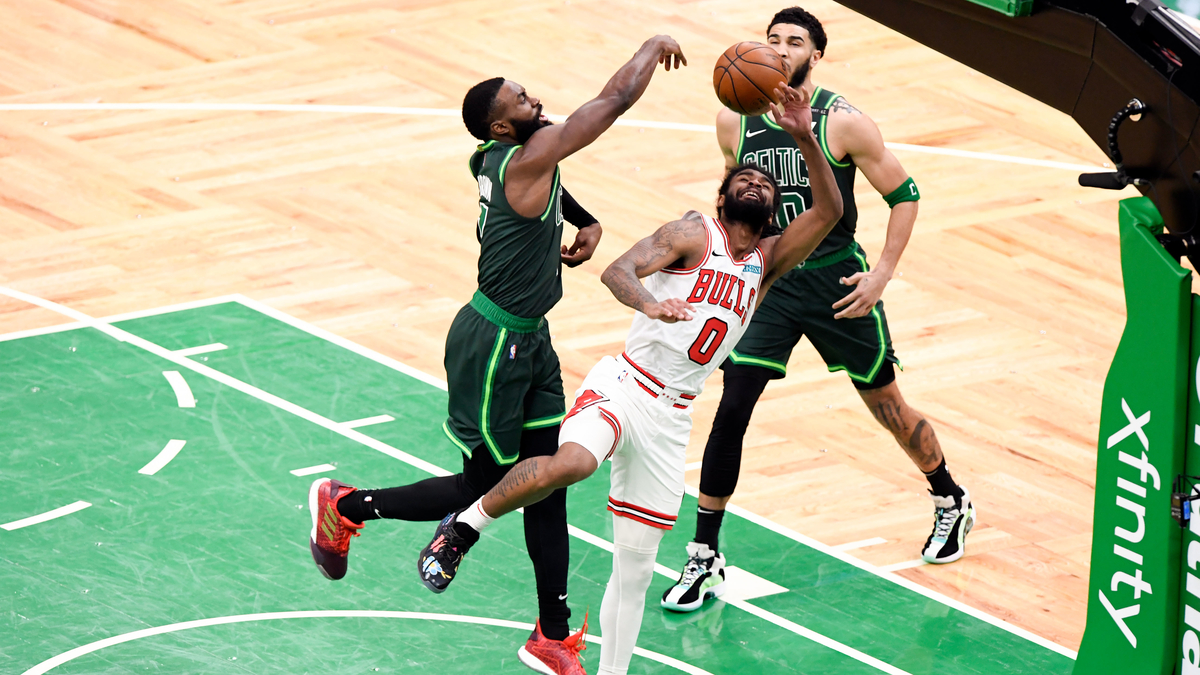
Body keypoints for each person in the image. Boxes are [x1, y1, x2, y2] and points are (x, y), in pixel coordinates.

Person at [417, 84, 841, 675]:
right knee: (574, 462)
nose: (754, 183)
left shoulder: (768, 261)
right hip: (626, 382)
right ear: (721, 197)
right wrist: (651, 302)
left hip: (673, 415)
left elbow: (830, 212)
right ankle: (465, 526)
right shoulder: (694, 233)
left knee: (637, 569)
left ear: (772, 210)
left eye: (765, 184)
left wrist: (802, 136)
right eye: (742, 179)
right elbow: (618, 271)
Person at [307, 34, 688, 675]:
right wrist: (650, 47)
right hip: (490, 344)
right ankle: (345, 506)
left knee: (549, 481)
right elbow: (615, 99)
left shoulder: (493, 156)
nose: (534, 97)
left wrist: (583, 219)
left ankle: (552, 634)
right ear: (505, 125)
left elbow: (544, 180)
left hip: (531, 340)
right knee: (487, 486)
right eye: (521, 98)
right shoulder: (527, 154)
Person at [659, 6, 978, 614]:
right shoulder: (736, 118)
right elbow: (732, 199)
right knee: (732, 407)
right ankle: (703, 554)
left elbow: (905, 196)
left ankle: (948, 495)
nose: (780, 50)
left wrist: (881, 274)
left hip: (837, 282)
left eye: (795, 42)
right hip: (771, 284)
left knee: (886, 405)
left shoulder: (844, 123)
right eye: (772, 40)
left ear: (816, 55)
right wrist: (724, 263)